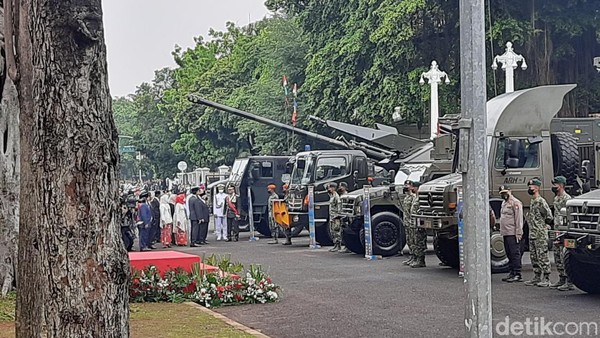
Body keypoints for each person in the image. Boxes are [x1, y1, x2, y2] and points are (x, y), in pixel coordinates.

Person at [524, 178, 554, 287]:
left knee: (542, 256)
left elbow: (549, 215)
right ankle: (537, 277)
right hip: (532, 233)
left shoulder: (541, 201)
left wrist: (544, 225)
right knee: (534, 256)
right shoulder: (532, 201)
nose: (529, 188)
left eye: (531, 186)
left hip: (540, 233)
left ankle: (546, 278)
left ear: (537, 188)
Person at [549, 176, 574, 291]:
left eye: (556, 184)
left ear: (562, 185)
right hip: (557, 229)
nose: (554, 187)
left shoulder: (567, 199)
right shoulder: (556, 198)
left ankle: (569, 281)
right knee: (557, 255)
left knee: (564, 255)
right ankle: (561, 278)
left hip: (563, 230)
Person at [498, 185, 524, 282]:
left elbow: (519, 219)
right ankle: (512, 272)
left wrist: (518, 232)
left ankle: (517, 273)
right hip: (506, 232)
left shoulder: (515, 203)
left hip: (513, 233)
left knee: (514, 253)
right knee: (508, 253)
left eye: (506, 193)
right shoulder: (504, 203)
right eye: (502, 193)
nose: (504, 195)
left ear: (510, 191)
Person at [410, 181, 426, 268]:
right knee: (415, 241)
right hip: (414, 223)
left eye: (414, 187)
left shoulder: (421, 197)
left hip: (419, 223)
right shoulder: (415, 197)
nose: (412, 189)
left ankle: (421, 260)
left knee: (420, 241)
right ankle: (415, 258)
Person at [402, 180, 416, 265]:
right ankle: (412, 257)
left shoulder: (413, 197)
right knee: (409, 241)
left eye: (408, 185)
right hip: (406, 221)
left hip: (411, 222)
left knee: (414, 240)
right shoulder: (406, 197)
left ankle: (416, 257)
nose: (406, 187)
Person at [327, 182, 342, 252]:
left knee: (336, 231)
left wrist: (338, 215)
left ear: (333, 188)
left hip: (335, 216)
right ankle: (335, 245)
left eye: (330, 187)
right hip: (331, 216)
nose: (329, 189)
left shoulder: (336, 196)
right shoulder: (331, 195)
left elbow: (339, 206)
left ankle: (338, 245)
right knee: (332, 231)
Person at [337, 182, 351, 253]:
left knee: (346, 231)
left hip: (345, 215)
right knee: (342, 231)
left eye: (341, 186)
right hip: (341, 214)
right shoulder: (341, 195)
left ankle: (347, 247)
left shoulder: (347, 195)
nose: (340, 188)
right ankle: (345, 246)